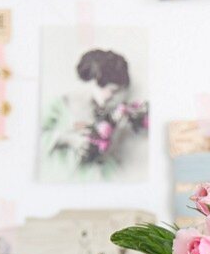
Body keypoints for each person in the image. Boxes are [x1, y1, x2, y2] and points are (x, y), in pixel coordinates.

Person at [42, 48, 148, 176]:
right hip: (67, 173)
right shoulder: (60, 104)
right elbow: (36, 137)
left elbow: (107, 150)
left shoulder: (108, 111)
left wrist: (117, 129)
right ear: (95, 81)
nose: (113, 97)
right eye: (112, 91)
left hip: (103, 175)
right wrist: (69, 139)